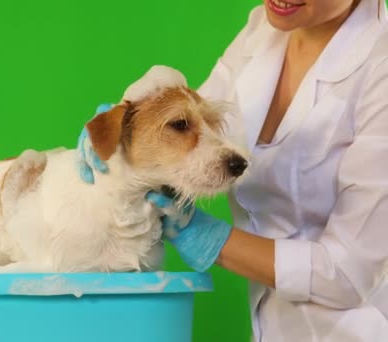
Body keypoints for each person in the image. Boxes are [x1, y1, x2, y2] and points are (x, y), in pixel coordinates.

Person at [75, 0, 388, 341]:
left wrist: (208, 238)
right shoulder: (263, 30)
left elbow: (348, 273)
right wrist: (120, 125)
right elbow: (195, 130)